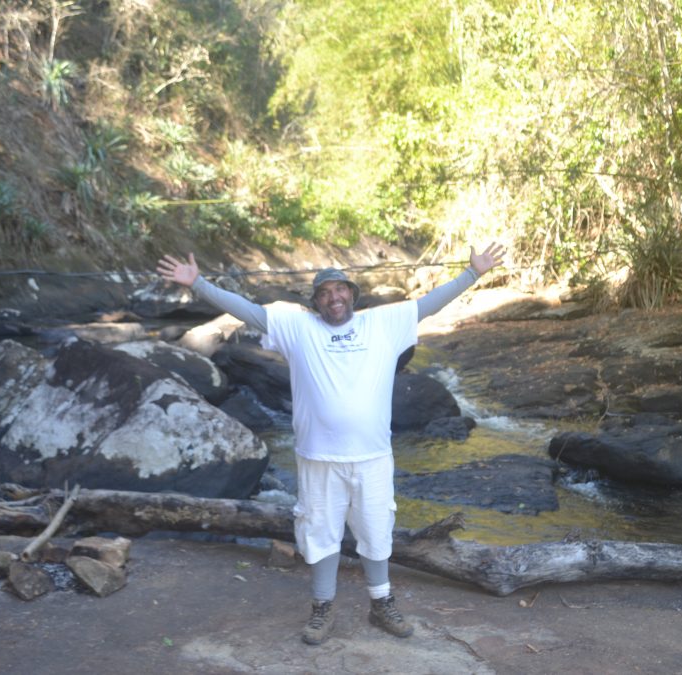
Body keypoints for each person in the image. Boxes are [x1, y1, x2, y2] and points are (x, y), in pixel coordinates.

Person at [157, 243, 505, 645]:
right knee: (319, 532)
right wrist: (198, 283)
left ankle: (382, 603)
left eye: (340, 290)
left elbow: (429, 304)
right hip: (317, 458)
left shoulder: (383, 323)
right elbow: (246, 310)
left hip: (372, 457)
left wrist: (472, 274)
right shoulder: (297, 327)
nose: (333, 298)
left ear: (352, 295)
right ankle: (322, 608)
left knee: (376, 532)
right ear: (315, 301)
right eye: (324, 293)